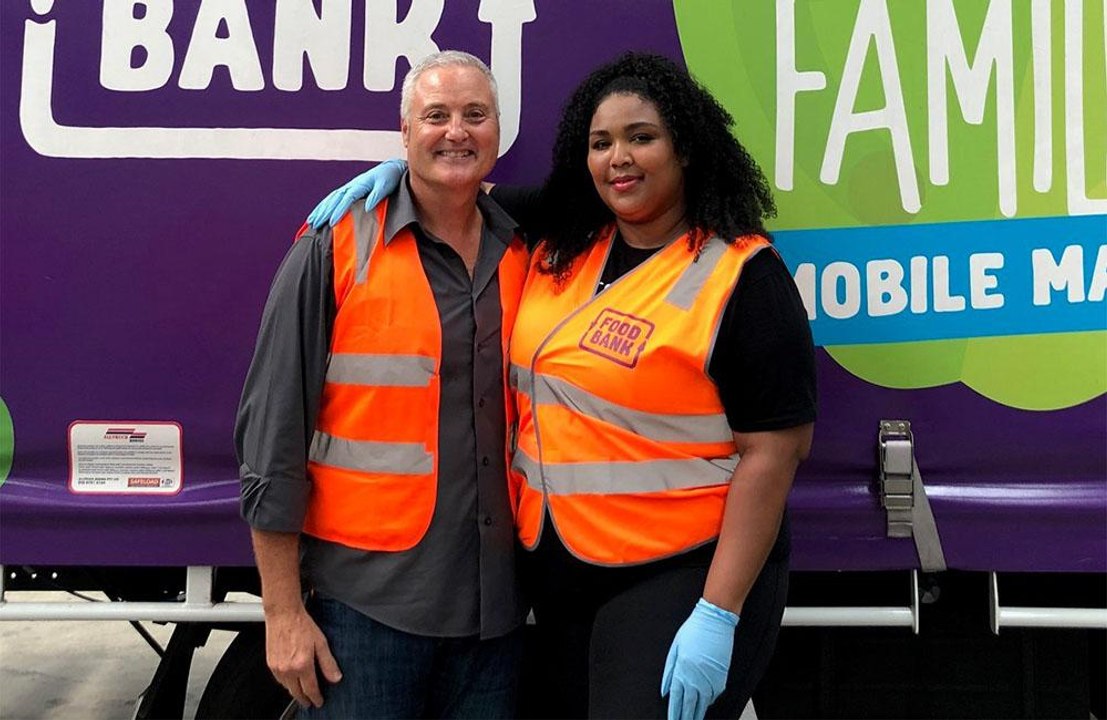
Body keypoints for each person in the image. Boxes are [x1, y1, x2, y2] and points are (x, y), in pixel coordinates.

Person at [308, 52, 815, 720]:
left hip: (677, 573)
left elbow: (774, 453)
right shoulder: (564, 240)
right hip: (559, 579)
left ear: (685, 149)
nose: (618, 159)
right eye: (600, 143)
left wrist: (716, 613)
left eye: (641, 137)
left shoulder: (742, 275)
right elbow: (457, 193)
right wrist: (399, 179)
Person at [236, 50, 530, 719]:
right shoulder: (334, 244)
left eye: (474, 115)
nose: (456, 131)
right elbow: (271, 434)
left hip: (496, 616)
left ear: (497, 132)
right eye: (436, 115)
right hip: (366, 618)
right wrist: (281, 613)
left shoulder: (524, 253)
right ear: (404, 134)